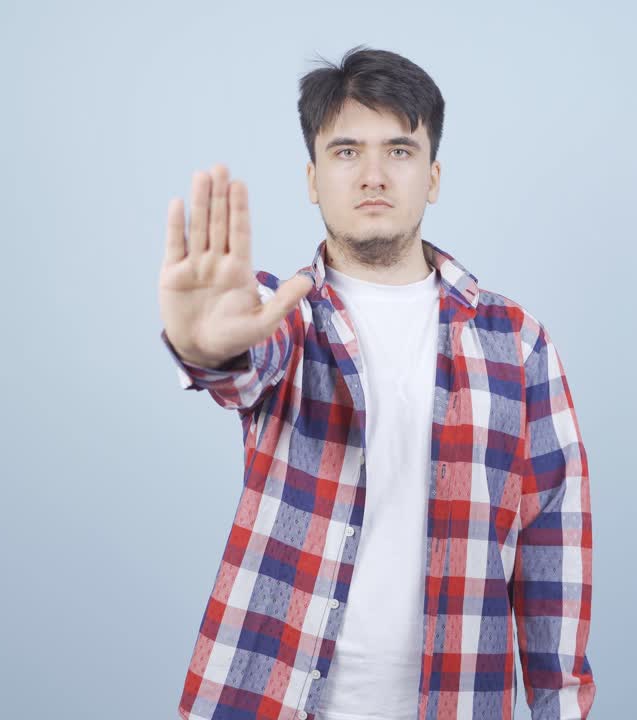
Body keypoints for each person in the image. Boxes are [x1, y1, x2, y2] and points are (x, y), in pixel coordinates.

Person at [158, 45, 594, 720]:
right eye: (345, 151)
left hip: (458, 699)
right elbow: (243, 367)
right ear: (312, 177)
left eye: (398, 150)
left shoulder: (518, 342)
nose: (372, 175)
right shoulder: (279, 313)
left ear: (433, 175)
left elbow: (552, 553)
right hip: (270, 694)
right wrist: (205, 349)